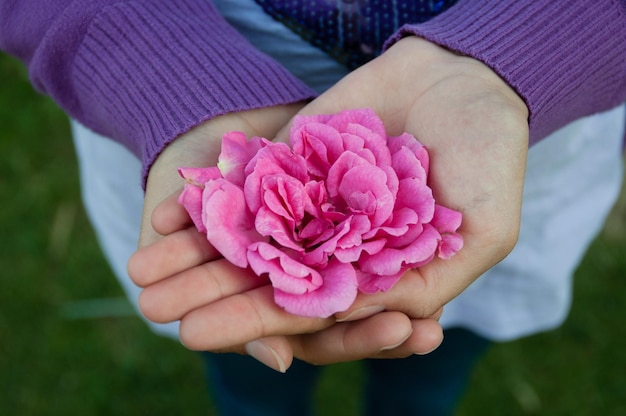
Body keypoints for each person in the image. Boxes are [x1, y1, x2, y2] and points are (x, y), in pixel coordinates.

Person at [2, 0, 625, 414]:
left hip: (530, 117)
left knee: (439, 348)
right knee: (249, 360)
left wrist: (529, 49)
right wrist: (160, 63)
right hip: (190, 80)